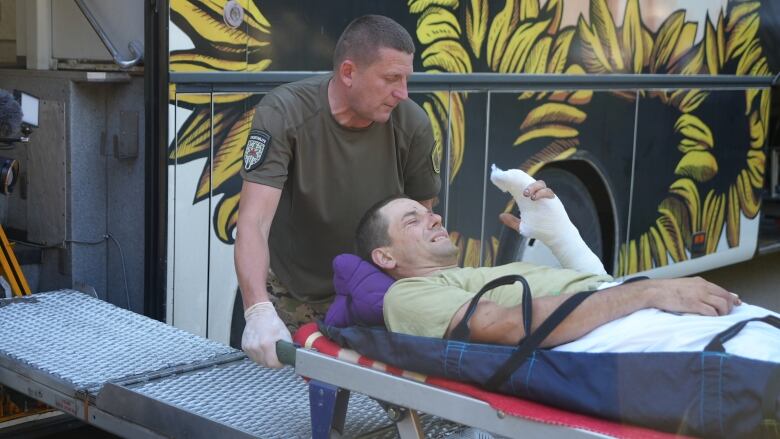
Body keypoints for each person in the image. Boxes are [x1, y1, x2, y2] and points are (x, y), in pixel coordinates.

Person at [235, 15, 441, 368]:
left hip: (372, 293)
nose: (403, 93)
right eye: (392, 78)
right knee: (279, 407)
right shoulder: (285, 112)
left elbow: (420, 225)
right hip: (293, 293)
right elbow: (253, 221)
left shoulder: (412, 123)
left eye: (407, 79)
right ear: (349, 73)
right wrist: (257, 310)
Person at [355, 191, 766, 351]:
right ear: (385, 258)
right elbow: (509, 327)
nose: (434, 217)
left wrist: (560, 235)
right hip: (636, 332)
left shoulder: (472, 278)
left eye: (429, 211)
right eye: (413, 220)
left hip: (642, 313)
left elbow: (596, 287)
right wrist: (647, 292)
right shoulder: (406, 295)